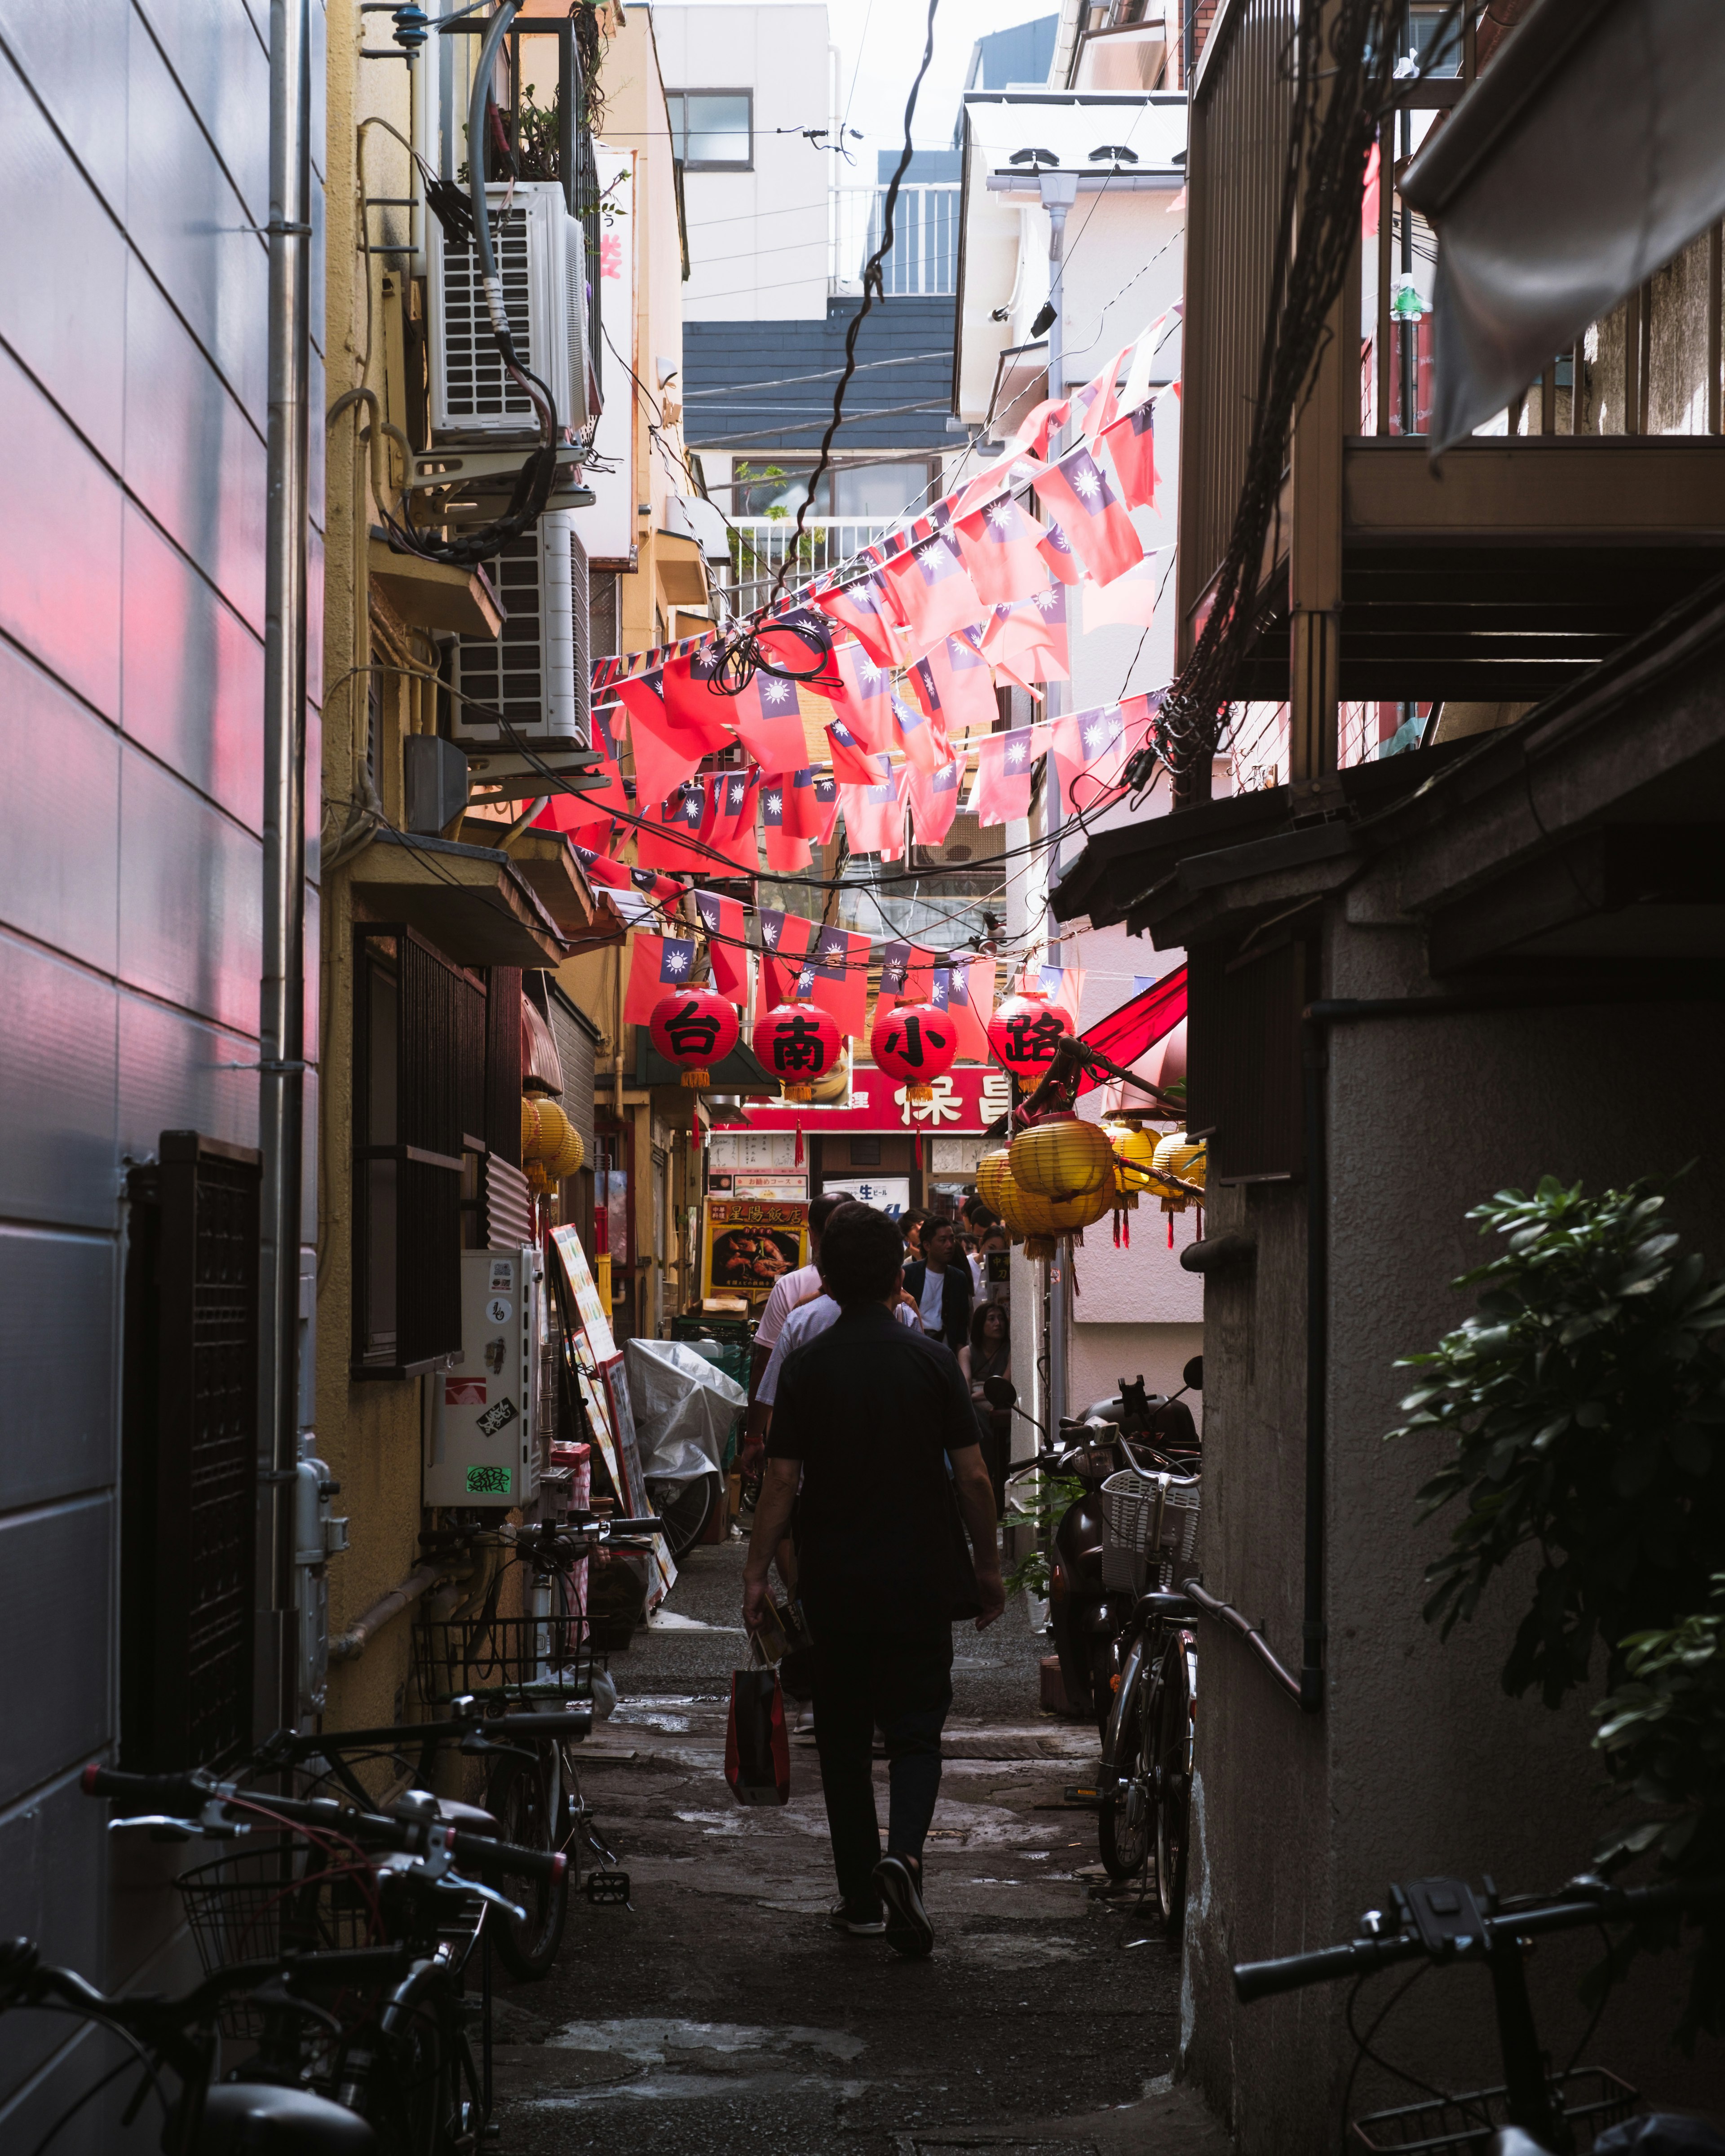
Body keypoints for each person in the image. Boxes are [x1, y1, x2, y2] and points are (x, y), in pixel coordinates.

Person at [743, 1204, 1005, 1957]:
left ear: (824, 1277)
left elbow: (784, 1481)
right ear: (901, 1273)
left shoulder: (808, 1366)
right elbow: (974, 1478)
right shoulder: (928, 1361)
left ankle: (861, 1897)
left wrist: (758, 1574)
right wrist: (988, 1570)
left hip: (836, 1577)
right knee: (917, 1730)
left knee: (846, 1738)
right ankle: (909, 1859)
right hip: (921, 1571)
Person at [741, 1193, 848, 1471]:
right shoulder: (891, 1291)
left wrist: (754, 1436)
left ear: (812, 1234)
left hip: (799, 1440)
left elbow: (766, 1365)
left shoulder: (791, 1288)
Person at [959, 1299, 1011, 1514]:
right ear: (980, 1324)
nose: (998, 1323)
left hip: (1000, 1402)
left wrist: (975, 1396)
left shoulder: (1011, 1350)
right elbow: (965, 1384)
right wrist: (974, 1397)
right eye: (991, 1319)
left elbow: (1004, 1386)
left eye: (1001, 1319)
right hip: (977, 1405)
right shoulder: (967, 1352)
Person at [901, 1217, 973, 1353]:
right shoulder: (910, 1274)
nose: (950, 1245)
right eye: (943, 1240)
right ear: (927, 1246)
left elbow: (961, 1323)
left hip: (945, 1350)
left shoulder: (958, 1278)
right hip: (915, 1347)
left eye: (952, 1239)